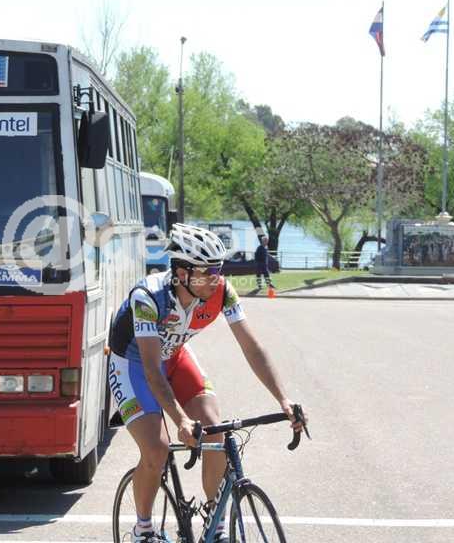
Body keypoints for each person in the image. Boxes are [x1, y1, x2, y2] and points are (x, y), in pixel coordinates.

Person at [108, 223, 306, 543]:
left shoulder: (222, 291)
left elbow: (252, 348)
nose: (216, 278)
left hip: (174, 355)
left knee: (215, 429)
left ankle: (215, 525)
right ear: (182, 272)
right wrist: (181, 420)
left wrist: (283, 399)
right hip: (133, 364)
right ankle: (142, 529)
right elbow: (152, 371)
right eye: (208, 271)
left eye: (219, 269)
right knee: (157, 449)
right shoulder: (148, 297)